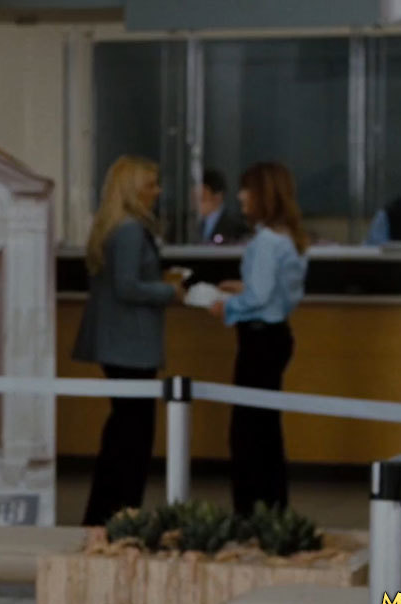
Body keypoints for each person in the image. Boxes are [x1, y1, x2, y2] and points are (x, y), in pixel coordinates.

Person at [72, 155, 183, 526]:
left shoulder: (112, 228)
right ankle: (123, 513)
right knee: (134, 437)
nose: (158, 191)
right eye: (151, 184)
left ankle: (105, 513)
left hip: (117, 345)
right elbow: (127, 286)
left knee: (121, 431)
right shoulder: (131, 230)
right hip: (131, 346)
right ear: (133, 190)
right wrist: (169, 291)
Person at [209, 161, 310, 516]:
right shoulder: (290, 237)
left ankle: (250, 510)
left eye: (246, 189)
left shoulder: (266, 242)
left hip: (258, 339)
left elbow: (260, 296)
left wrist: (227, 306)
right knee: (266, 429)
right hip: (277, 336)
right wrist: (242, 288)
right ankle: (273, 508)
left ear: (262, 194)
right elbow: (280, 292)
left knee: (247, 432)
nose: (240, 197)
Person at [194, 168, 252, 245]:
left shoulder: (236, 226)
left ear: (217, 197)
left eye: (203, 197)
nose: (197, 203)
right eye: (195, 198)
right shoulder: (190, 224)